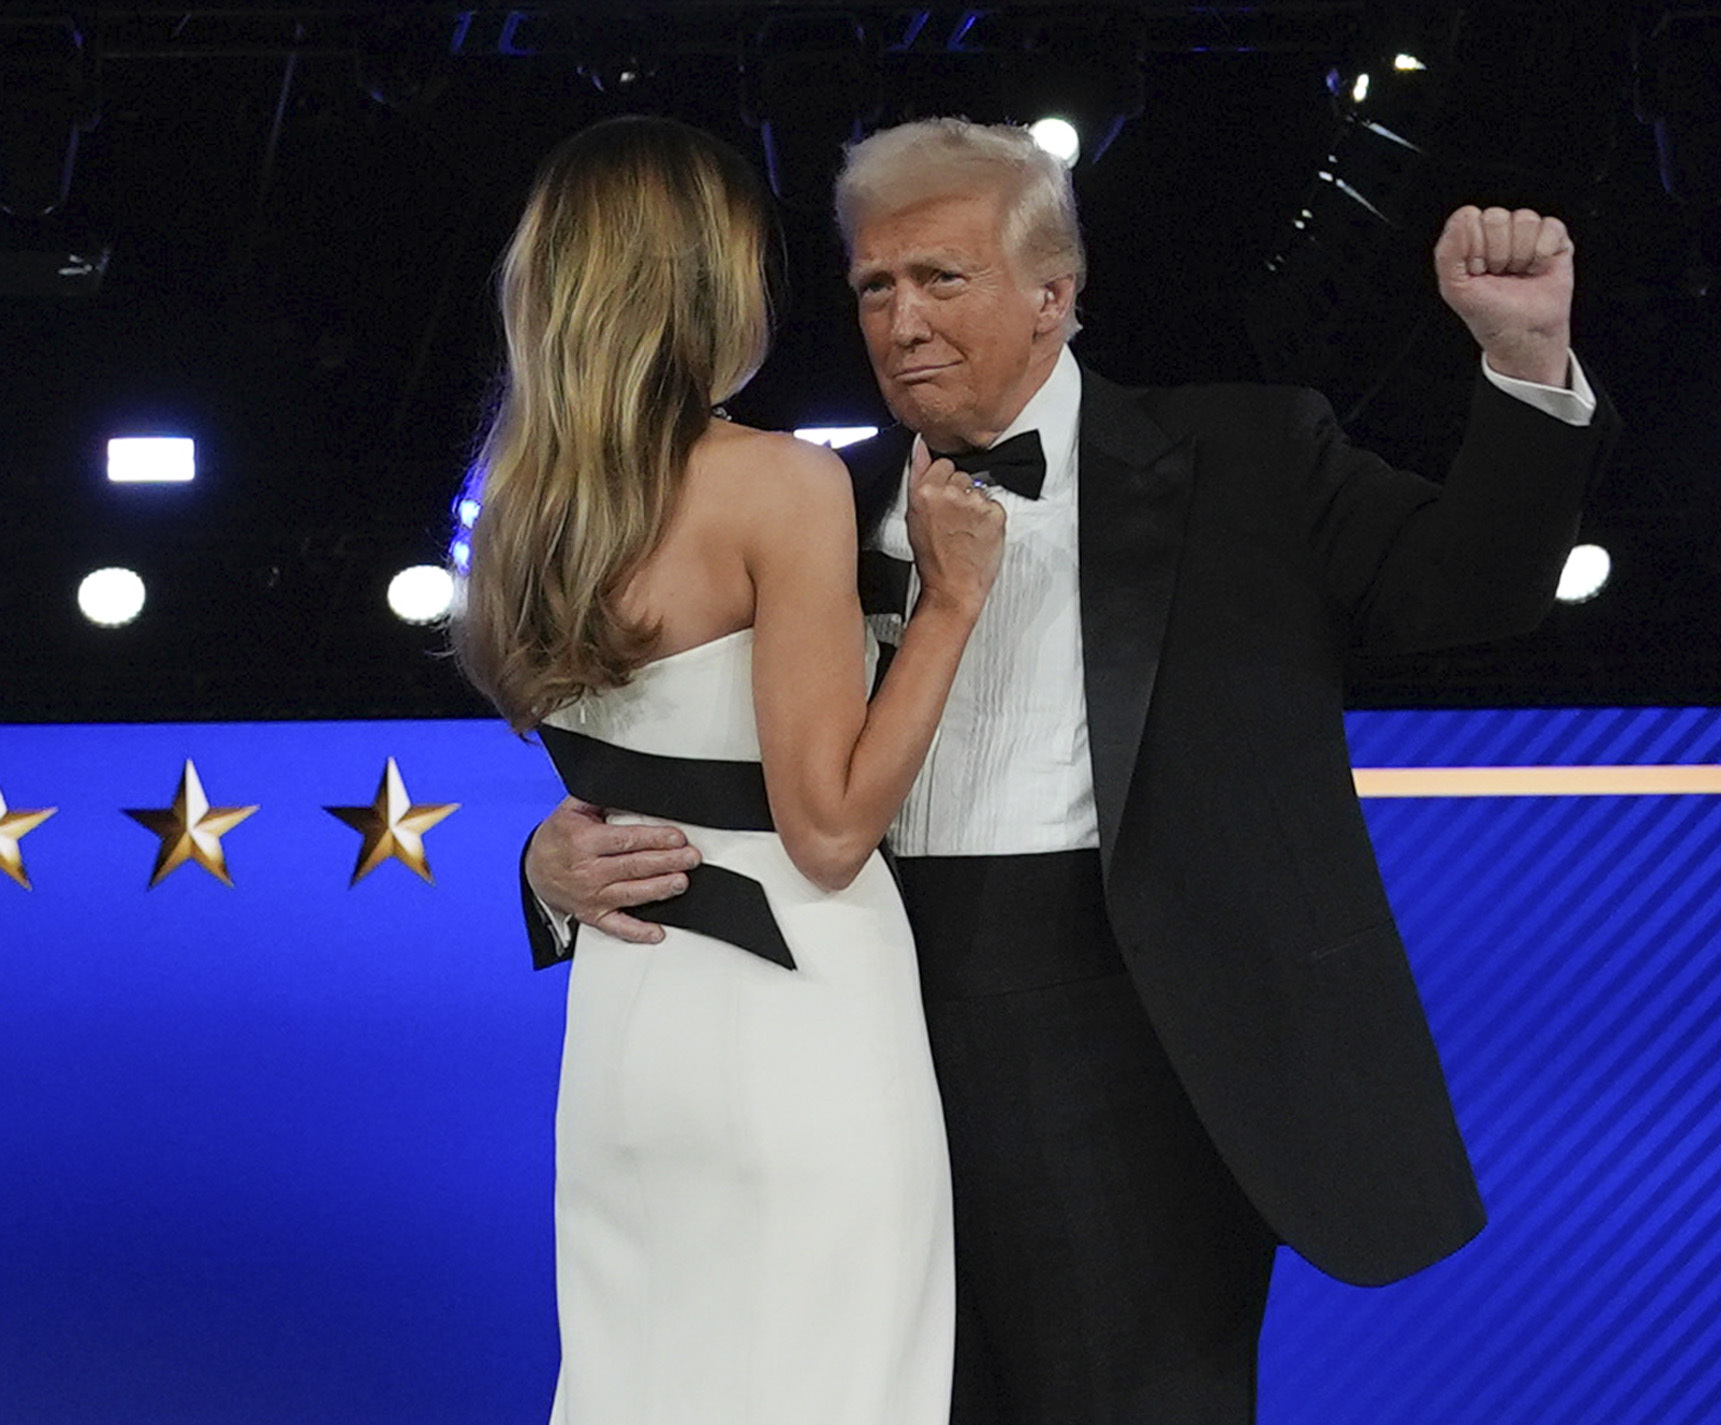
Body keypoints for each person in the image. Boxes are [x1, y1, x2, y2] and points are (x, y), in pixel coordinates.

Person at [524, 117, 1618, 1423]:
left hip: (1141, 1047)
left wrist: (1523, 359)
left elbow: (1476, 590)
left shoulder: (1250, 456)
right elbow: (685, 752)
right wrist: (545, 865)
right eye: (874, 286)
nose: (900, 319)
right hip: (858, 1030)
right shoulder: (804, 493)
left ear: (1055, 293)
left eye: (941, 278)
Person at [451, 116, 1006, 1425]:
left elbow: (608, 766)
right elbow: (825, 828)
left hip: (630, 1028)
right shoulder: (780, 483)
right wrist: (947, 604)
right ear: (711, 280)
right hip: (797, 1012)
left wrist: (543, 859)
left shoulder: (525, 502)